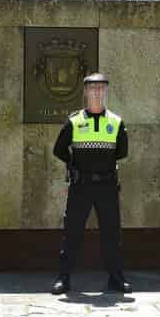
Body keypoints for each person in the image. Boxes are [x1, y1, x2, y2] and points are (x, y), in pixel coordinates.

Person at [52, 73, 131, 296]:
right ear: (85, 92)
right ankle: (63, 279)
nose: (97, 92)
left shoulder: (116, 122)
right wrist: (73, 164)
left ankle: (117, 279)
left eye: (101, 88)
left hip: (106, 186)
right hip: (81, 186)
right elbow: (59, 150)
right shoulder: (75, 121)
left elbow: (122, 152)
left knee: (112, 234)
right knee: (72, 233)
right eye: (92, 88)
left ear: (106, 91)